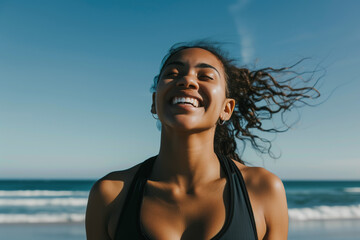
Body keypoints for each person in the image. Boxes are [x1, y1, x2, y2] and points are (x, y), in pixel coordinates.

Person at [85, 41, 319, 240]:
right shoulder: (109, 194)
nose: (187, 81)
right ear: (154, 102)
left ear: (226, 109)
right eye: (172, 74)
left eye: (205, 76)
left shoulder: (263, 189)